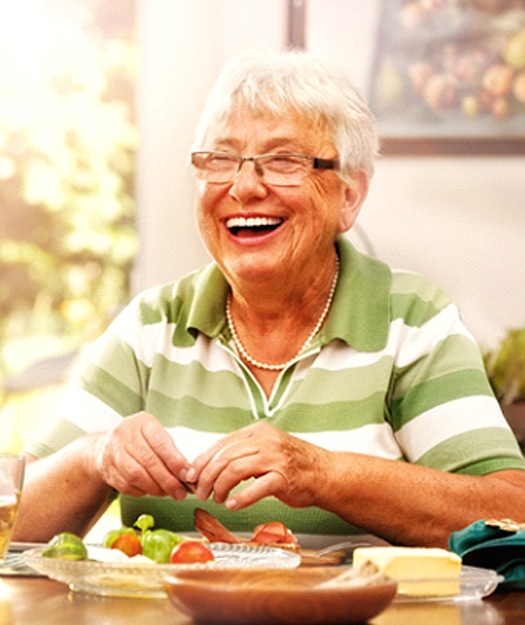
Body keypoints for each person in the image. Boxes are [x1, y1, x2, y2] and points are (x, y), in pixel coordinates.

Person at [15, 50, 525, 548]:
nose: (243, 186)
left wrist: (322, 473)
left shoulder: (412, 322)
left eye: (283, 161)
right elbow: (11, 514)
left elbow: (512, 515)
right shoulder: (152, 327)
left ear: (349, 196)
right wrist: (93, 456)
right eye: (221, 159)